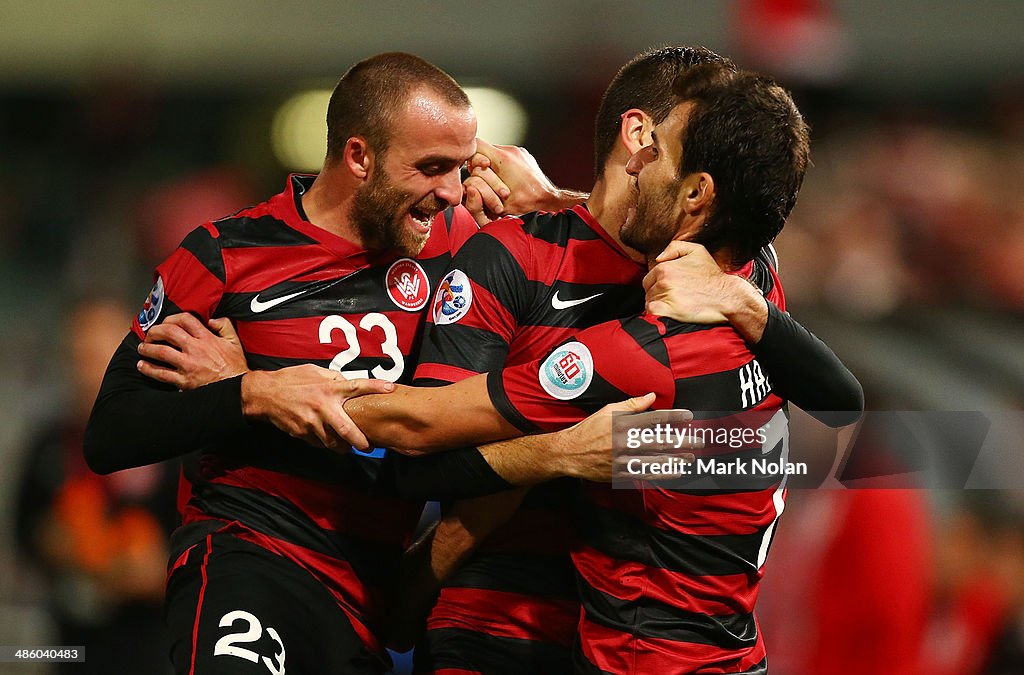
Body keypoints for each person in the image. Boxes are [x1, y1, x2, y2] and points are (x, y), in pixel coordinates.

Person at [143, 48, 861, 673]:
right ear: (635, 133)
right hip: (496, 623)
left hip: (620, 638)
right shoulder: (532, 255)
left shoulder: (685, 319)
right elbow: (422, 469)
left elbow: (420, 432)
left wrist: (255, 382)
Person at [83, 52, 604, 675]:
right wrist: (251, 394)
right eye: (431, 167)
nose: (450, 189)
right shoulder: (226, 255)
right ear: (359, 157)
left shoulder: (468, 247)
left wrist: (548, 200)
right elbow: (111, 431)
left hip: (367, 595)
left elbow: (637, 254)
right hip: (251, 559)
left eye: (460, 167)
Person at [15, 296, 178, 675]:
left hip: (153, 650)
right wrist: (51, 542)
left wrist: (162, 571)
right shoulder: (50, 445)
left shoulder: (175, 439)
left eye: (99, 357)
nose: (89, 373)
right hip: (69, 649)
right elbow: (25, 531)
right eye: (78, 357)